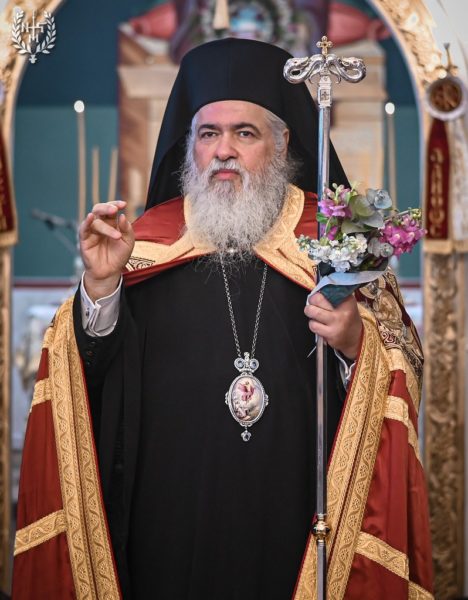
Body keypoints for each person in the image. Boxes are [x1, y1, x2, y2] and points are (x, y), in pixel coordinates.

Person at [12, 38, 433, 600]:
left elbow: (404, 375)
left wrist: (357, 345)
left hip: (298, 522)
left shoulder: (336, 250)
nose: (223, 151)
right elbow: (88, 387)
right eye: (208, 134)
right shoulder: (147, 245)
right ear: (190, 147)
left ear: (283, 143)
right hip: (168, 519)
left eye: (245, 133)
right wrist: (102, 289)